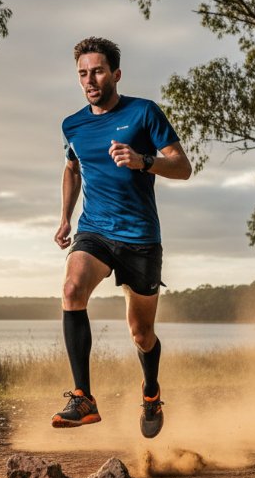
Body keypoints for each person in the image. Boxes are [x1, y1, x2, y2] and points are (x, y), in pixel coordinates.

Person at [52, 36, 192, 438]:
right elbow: (72, 168)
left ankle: (150, 392)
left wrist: (143, 161)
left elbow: (182, 167)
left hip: (140, 237)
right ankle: (84, 398)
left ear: (115, 73)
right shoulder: (72, 124)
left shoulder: (144, 112)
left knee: (141, 333)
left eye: (97, 71)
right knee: (72, 288)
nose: (90, 80)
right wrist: (65, 217)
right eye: (82, 73)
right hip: (95, 229)